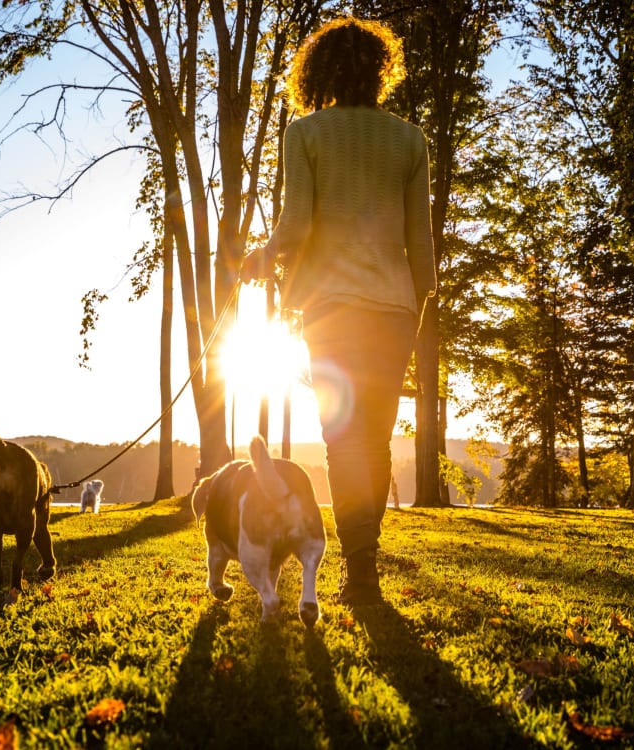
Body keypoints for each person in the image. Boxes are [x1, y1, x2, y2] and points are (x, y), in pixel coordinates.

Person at [242, 16, 436, 605]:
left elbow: (296, 227)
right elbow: (422, 247)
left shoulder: (305, 134)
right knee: (372, 441)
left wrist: (263, 255)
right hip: (395, 308)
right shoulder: (410, 140)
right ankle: (362, 568)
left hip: (331, 307)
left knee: (342, 439)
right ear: (381, 71)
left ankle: (364, 571)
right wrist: (416, 306)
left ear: (318, 72)